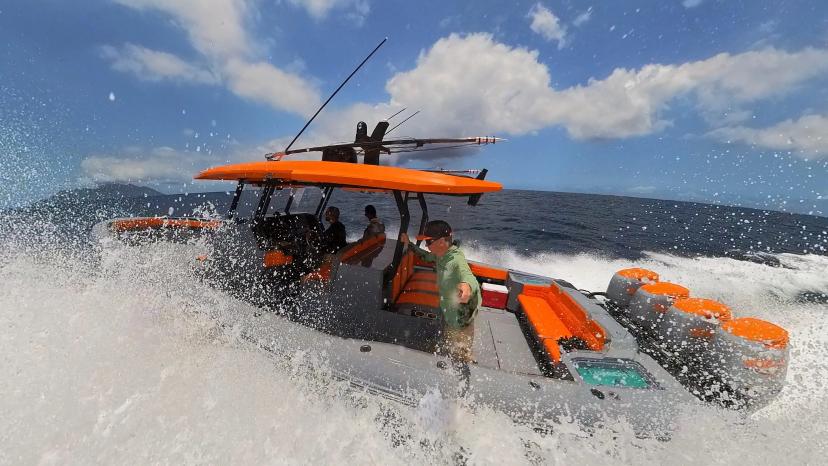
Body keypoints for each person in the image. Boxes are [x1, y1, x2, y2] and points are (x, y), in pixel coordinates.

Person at [400, 220, 480, 364]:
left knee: (459, 354)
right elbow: (425, 256)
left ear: (442, 241)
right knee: (448, 341)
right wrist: (409, 244)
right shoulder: (441, 254)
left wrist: (466, 285)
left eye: (429, 242)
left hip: (460, 315)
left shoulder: (455, 258)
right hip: (448, 307)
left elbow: (466, 274)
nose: (426, 245)